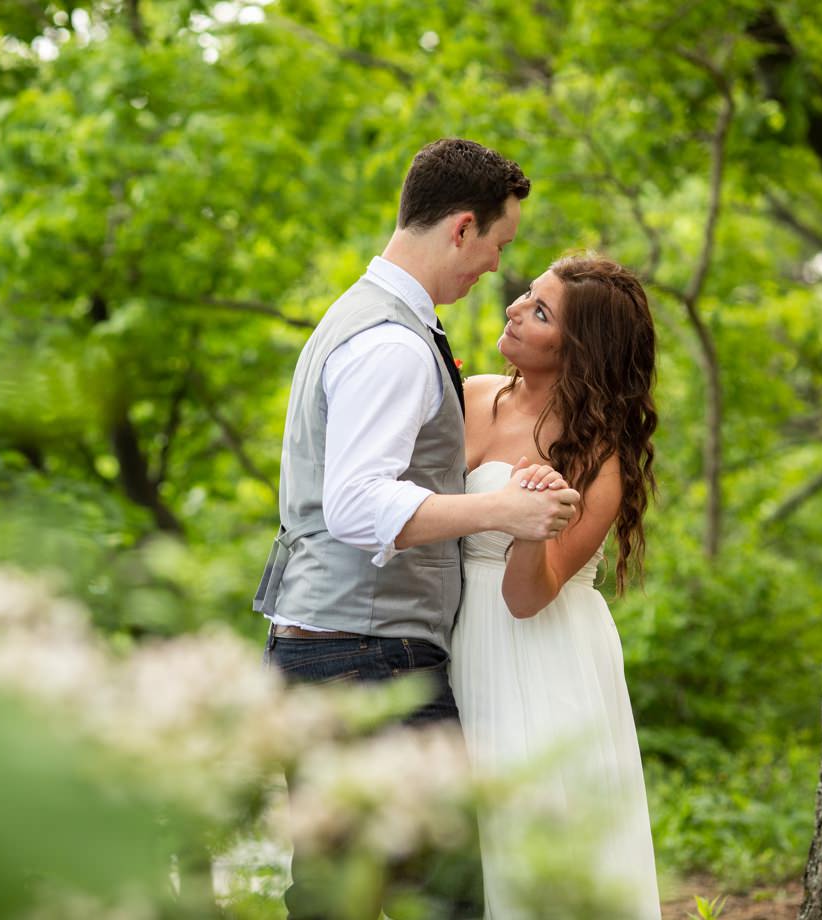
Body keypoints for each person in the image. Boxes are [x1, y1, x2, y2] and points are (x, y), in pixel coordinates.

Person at [252, 137, 582, 920]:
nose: (492, 271)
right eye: (498, 246)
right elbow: (358, 504)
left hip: (330, 648)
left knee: (342, 898)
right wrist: (504, 510)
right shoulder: (392, 344)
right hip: (369, 659)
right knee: (438, 900)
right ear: (462, 228)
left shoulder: (361, 316)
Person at [449, 256, 662, 918]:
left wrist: (533, 521)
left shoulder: (599, 462)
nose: (514, 307)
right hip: (451, 636)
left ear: (579, 352)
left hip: (539, 654)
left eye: (540, 312)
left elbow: (527, 596)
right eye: (528, 296)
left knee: (527, 840)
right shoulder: (471, 394)